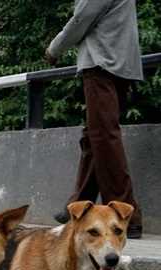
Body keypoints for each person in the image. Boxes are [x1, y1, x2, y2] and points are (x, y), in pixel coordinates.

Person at [47, 0, 143, 238]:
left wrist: (54, 49)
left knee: (104, 139)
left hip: (102, 63)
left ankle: (126, 215)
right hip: (118, 61)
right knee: (94, 137)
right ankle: (80, 205)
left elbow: (81, 19)